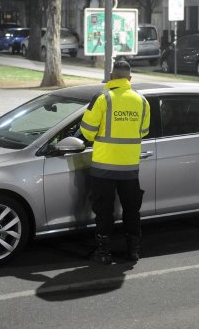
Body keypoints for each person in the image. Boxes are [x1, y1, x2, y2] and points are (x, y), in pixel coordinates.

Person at [80, 60, 150, 264]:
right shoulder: (142, 101)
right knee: (131, 210)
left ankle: (103, 253)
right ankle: (133, 251)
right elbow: (143, 132)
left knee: (103, 211)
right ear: (129, 79)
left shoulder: (102, 99)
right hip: (130, 168)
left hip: (103, 168)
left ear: (111, 76)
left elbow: (87, 131)